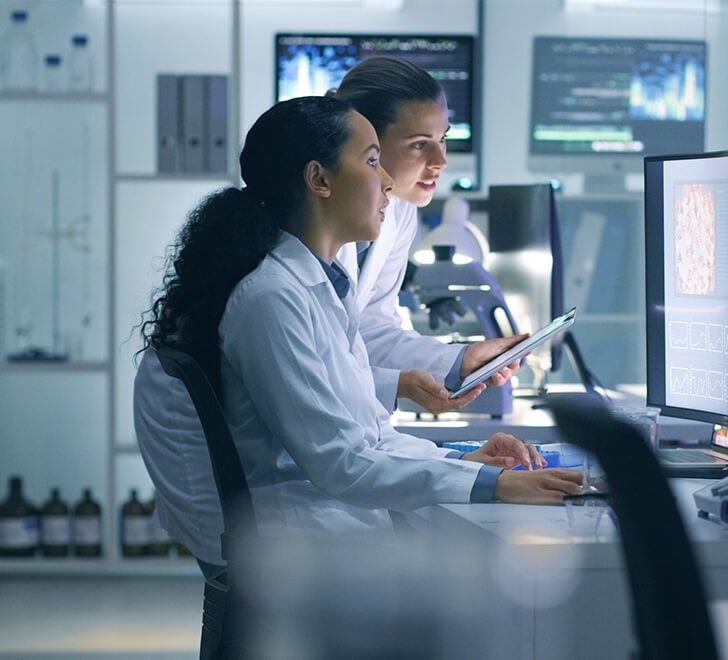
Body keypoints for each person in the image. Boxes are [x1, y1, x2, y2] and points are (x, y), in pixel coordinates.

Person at [134, 97, 581, 574]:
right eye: (372, 161)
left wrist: (468, 460)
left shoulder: (321, 284)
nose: (388, 181)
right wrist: (494, 485)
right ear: (319, 179)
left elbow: (367, 435)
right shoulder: (270, 297)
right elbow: (342, 463)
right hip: (305, 542)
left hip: (328, 524)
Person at [329, 55, 511, 415]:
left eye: (443, 139)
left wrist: (458, 359)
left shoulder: (399, 208)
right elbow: (318, 363)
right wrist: (399, 386)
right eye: (419, 144)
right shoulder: (304, 230)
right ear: (364, 143)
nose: (441, 161)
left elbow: (369, 328)